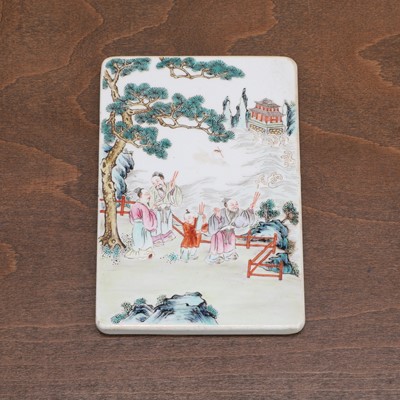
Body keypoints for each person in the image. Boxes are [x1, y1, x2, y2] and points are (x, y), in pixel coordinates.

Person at [207, 192, 260, 264]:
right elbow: (213, 226)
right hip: (219, 233)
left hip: (230, 232)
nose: (235, 206)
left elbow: (244, 220)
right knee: (219, 239)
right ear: (226, 205)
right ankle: (217, 256)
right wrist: (218, 217)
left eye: (236, 204)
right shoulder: (221, 212)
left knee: (231, 240)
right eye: (232, 205)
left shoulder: (239, 211)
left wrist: (250, 208)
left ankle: (229, 255)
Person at [149, 171, 183, 246]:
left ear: (162, 179)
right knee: (157, 227)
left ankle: (166, 238)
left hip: (167, 212)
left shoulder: (171, 186)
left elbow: (177, 203)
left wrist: (172, 191)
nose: (156, 184)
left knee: (166, 226)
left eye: (157, 181)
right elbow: (151, 204)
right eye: (153, 183)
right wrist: (156, 205)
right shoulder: (152, 190)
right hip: (157, 212)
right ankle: (157, 240)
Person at [125, 188, 157, 260]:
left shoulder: (135, 205)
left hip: (136, 226)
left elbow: (131, 219)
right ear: (140, 196)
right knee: (144, 241)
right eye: (146, 194)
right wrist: (152, 211)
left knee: (138, 240)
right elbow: (147, 220)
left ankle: (142, 254)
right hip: (143, 227)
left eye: (149, 194)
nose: (149, 196)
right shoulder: (143, 206)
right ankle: (143, 255)